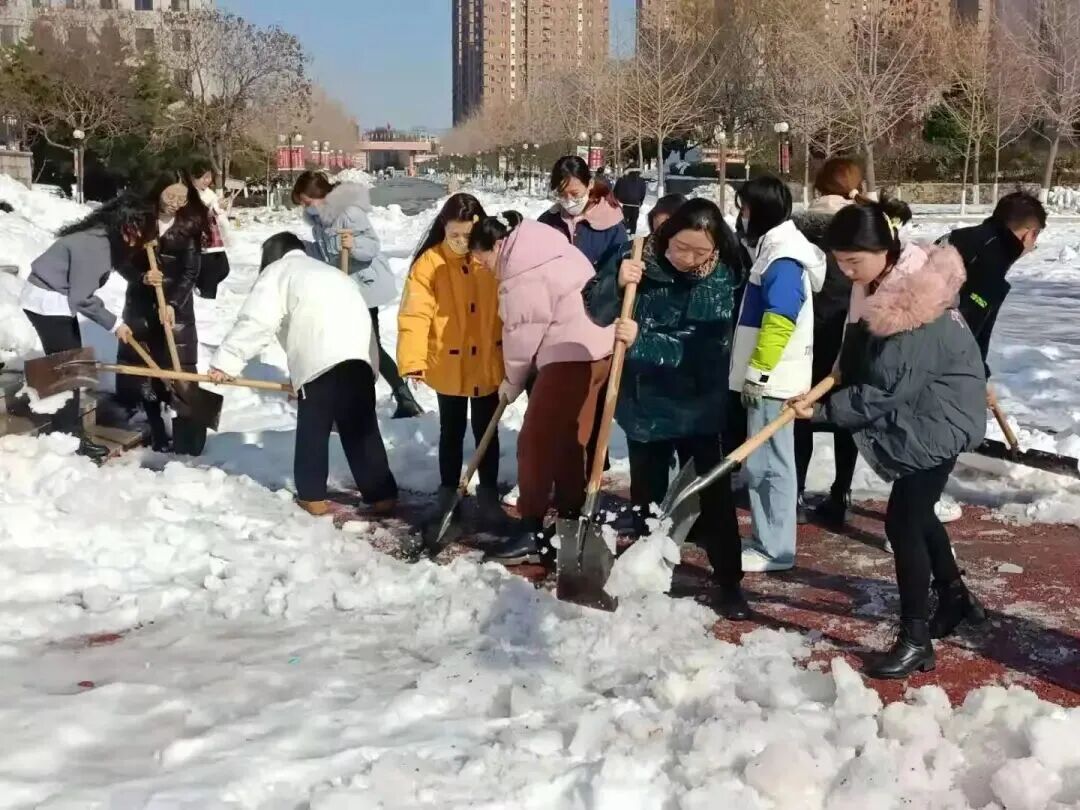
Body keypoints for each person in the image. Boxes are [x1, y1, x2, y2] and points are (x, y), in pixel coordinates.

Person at [790, 200, 987, 679]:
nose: (846, 271)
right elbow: (859, 349)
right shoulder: (879, 281)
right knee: (917, 515)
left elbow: (885, 388)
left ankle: (915, 639)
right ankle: (955, 596)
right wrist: (836, 372)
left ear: (884, 250)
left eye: (853, 261)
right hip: (922, 411)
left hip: (939, 419)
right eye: (839, 261)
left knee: (903, 523)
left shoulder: (916, 302)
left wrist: (822, 412)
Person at [583, 199, 750, 619]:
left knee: (713, 494)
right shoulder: (638, 256)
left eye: (699, 251)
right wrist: (615, 283)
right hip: (645, 404)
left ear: (715, 248)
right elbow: (597, 313)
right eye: (680, 247)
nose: (688, 258)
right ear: (666, 235)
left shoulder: (721, 278)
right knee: (647, 495)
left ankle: (728, 579)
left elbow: (703, 350)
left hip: (700, 404)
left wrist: (641, 339)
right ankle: (646, 573)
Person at [209, 232, 399, 518]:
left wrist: (225, 362)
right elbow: (362, 323)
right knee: (361, 429)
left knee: (314, 428)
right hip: (359, 358)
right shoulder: (333, 275)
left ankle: (312, 498)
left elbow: (256, 321)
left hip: (320, 362)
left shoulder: (279, 271)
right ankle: (382, 495)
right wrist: (369, 367)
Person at [469, 213, 615, 565]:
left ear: (498, 245)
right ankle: (569, 519)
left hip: (568, 358)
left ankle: (531, 528)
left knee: (534, 443)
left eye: (482, 258)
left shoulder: (521, 272)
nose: (483, 266)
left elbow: (522, 336)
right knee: (570, 440)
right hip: (600, 352)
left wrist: (512, 382)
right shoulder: (553, 247)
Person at [729, 176, 826, 572]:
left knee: (769, 463)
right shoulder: (774, 248)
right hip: (773, 377)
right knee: (765, 461)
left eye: (744, 208)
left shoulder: (783, 259)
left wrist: (759, 372)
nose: (740, 216)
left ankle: (775, 549)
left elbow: (780, 319)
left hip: (774, 381)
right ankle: (768, 539)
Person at [397, 193, 506, 534]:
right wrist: (413, 359)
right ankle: (448, 492)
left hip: (488, 358)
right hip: (448, 361)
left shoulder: (492, 257)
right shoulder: (429, 264)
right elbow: (415, 314)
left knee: (487, 429)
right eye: (453, 235)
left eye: (466, 235)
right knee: (451, 429)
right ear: (443, 228)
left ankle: (488, 491)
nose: (460, 241)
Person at [19, 194, 154, 460]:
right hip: (47, 300)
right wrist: (115, 324)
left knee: (67, 364)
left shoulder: (104, 237)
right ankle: (68, 437)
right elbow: (81, 297)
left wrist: (142, 277)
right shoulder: (95, 246)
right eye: (143, 234)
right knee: (70, 368)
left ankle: (63, 430)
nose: (144, 241)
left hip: (51, 296)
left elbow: (115, 266)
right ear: (128, 228)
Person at [291, 170, 422, 419]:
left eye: (307, 202)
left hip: (365, 286)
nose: (306, 208)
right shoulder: (320, 221)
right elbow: (327, 255)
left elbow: (372, 246)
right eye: (302, 205)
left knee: (370, 346)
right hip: (346, 290)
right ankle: (360, 397)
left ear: (319, 195)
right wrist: (304, 247)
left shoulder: (348, 213)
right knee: (351, 345)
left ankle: (403, 397)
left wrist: (354, 246)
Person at [791, 158, 866, 526]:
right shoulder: (865, 228)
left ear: (818, 188)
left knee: (800, 412)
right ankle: (842, 492)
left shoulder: (798, 229)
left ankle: (795, 493)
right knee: (846, 415)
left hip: (805, 335)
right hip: (851, 333)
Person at [115, 176, 209, 456]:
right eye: (170, 196)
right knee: (145, 369)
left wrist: (173, 303)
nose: (175, 204)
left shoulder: (189, 225)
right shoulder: (139, 222)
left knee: (180, 368)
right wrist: (142, 276)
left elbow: (191, 272)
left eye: (181, 198)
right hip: (140, 306)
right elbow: (121, 260)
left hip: (176, 309)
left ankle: (187, 431)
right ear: (158, 192)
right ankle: (155, 426)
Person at [538, 155, 628, 275]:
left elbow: (616, 274)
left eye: (575, 194)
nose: (569, 201)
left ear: (590, 184)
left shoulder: (612, 226)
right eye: (562, 194)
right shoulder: (548, 220)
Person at [186, 160, 232, 300]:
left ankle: (202, 291)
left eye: (209, 177)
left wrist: (221, 207)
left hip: (214, 238)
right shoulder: (189, 194)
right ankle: (204, 298)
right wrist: (214, 209)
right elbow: (196, 213)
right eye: (204, 177)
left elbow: (215, 211)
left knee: (223, 269)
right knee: (211, 273)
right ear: (193, 177)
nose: (207, 180)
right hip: (201, 240)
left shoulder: (209, 193)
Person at [614, 165, 648, 236]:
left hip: (625, 202)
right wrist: (640, 201)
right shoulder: (641, 180)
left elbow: (616, 190)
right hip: (636, 203)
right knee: (634, 219)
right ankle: (633, 232)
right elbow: (643, 192)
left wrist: (616, 198)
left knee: (624, 217)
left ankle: (625, 228)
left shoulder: (622, 179)